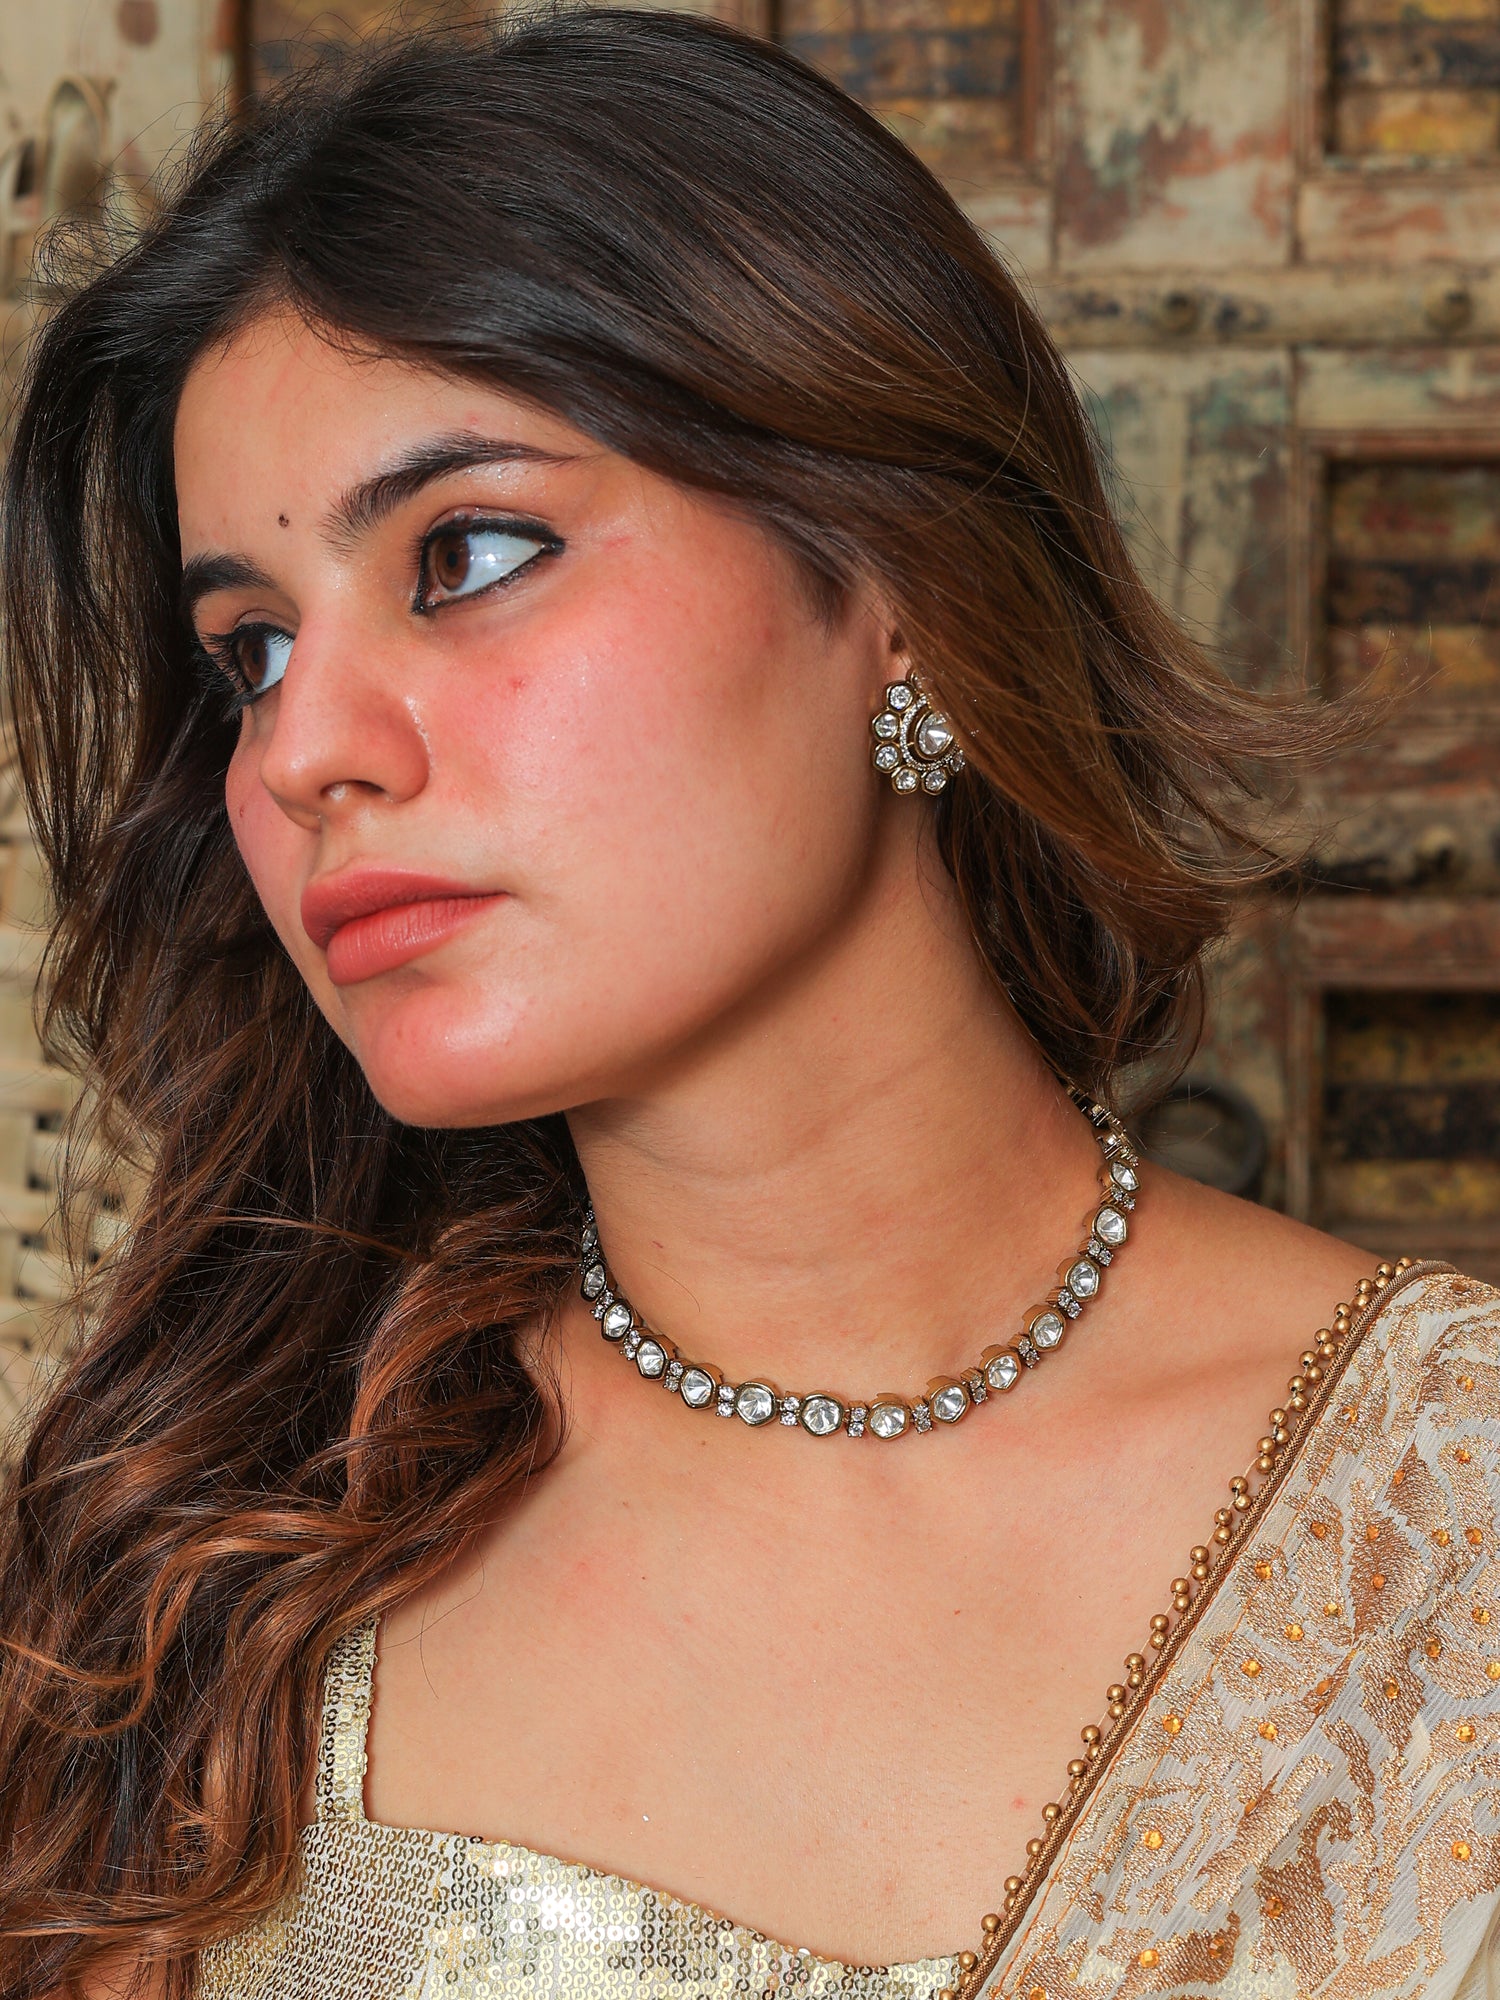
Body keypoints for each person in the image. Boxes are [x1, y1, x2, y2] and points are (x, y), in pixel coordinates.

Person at [0, 12, 1495, 1998]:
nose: (301, 753)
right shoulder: (208, 1568)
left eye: (469, 553)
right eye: (249, 653)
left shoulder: (1451, 1517)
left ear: (897, 580)